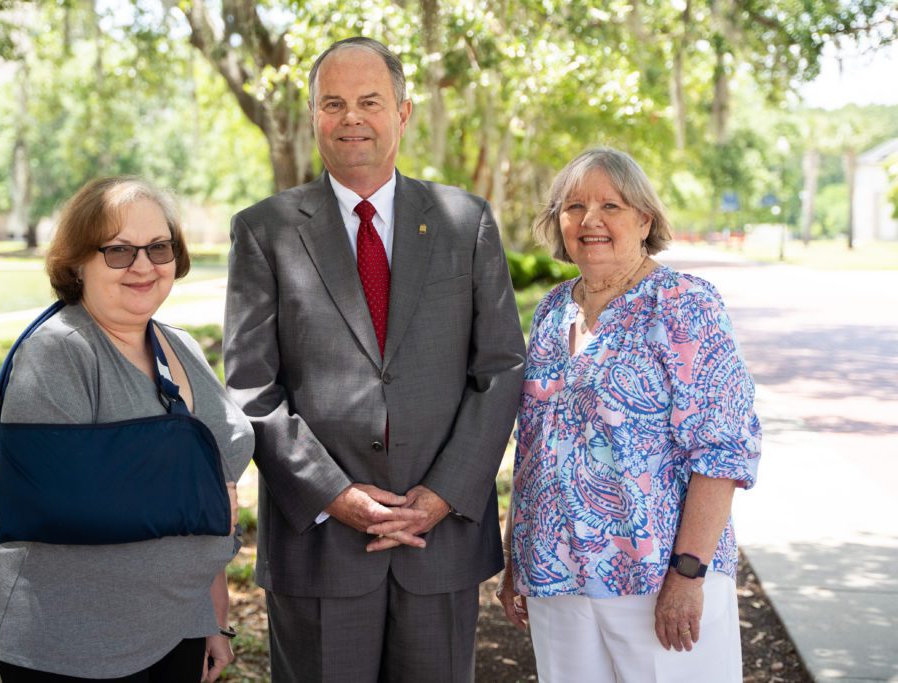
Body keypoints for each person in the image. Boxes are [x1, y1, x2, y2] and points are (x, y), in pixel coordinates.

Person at [223, 36, 526, 681]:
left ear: (404, 113)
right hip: (321, 543)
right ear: (313, 117)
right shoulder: (265, 229)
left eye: (369, 101)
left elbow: (500, 368)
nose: (351, 117)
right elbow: (252, 386)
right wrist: (336, 495)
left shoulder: (464, 220)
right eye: (333, 103)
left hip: (438, 539)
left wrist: (444, 493)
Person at [0, 177, 253, 682]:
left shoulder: (179, 346)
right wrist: (194, 496)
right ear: (78, 262)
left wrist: (212, 617)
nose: (144, 265)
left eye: (158, 248)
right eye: (118, 251)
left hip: (173, 624)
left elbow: (208, 510)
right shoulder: (58, 351)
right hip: (70, 639)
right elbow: (57, 503)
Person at [496, 147, 761, 682]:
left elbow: (723, 449)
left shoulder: (683, 303)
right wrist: (515, 562)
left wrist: (688, 575)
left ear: (644, 219)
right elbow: (532, 448)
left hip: (655, 576)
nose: (590, 220)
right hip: (556, 574)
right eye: (574, 207)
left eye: (610, 206)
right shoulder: (552, 309)